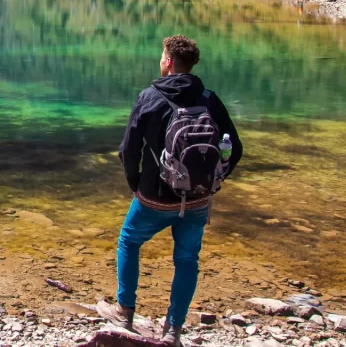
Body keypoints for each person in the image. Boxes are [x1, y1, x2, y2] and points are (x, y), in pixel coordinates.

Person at [98, 35, 243, 346]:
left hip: (154, 196)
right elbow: (235, 148)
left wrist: (137, 185)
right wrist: (213, 182)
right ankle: (173, 330)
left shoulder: (149, 97)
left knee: (129, 241)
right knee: (187, 259)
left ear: (167, 62)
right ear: (191, 65)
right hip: (198, 197)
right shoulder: (209, 99)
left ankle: (125, 311)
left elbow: (128, 150)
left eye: (162, 56)